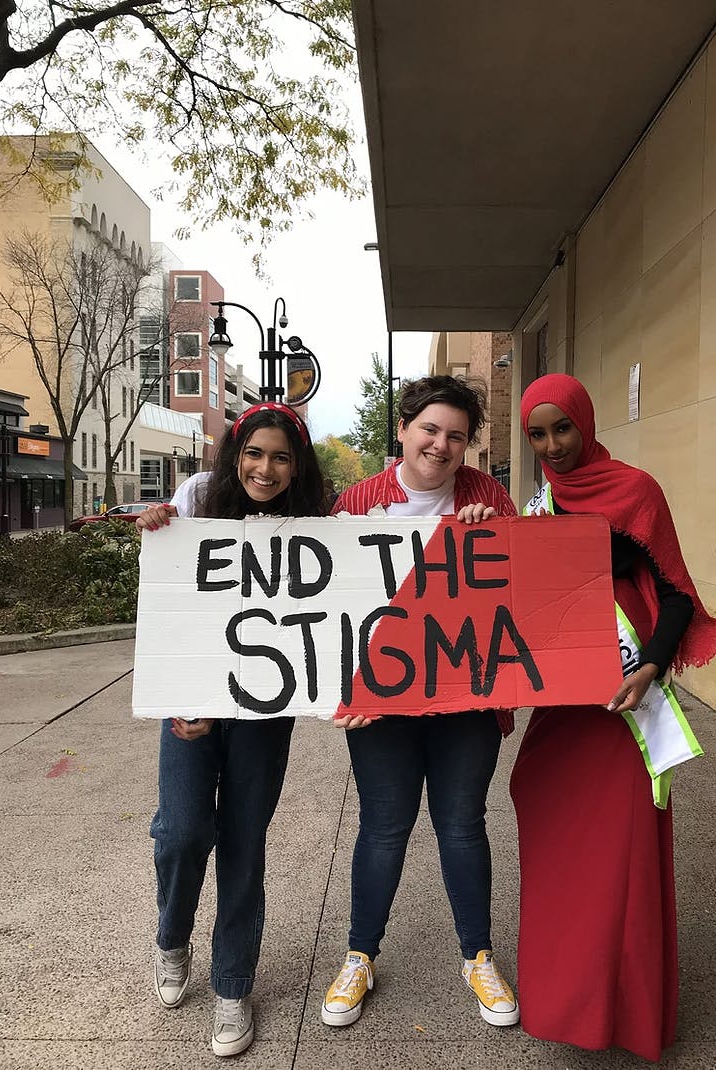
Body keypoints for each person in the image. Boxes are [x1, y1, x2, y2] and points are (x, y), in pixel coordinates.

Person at [511, 374, 716, 1061]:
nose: (552, 445)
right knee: (552, 834)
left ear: (586, 421)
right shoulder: (537, 506)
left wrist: (650, 666)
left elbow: (678, 595)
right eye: (537, 434)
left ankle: (625, 1013)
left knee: (620, 860)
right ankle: (564, 1001)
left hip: (623, 705)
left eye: (561, 428)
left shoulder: (636, 491)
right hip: (565, 709)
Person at [321, 374, 521, 1030]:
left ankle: (477, 957)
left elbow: (526, 591)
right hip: (382, 707)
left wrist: (499, 539)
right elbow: (324, 608)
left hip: (466, 703)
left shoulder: (489, 496)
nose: (441, 444)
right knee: (383, 827)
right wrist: (337, 690)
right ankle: (359, 957)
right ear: (404, 430)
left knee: (462, 825)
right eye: (430, 429)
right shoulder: (356, 503)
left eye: (456, 436)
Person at [136, 402, 325, 1058]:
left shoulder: (314, 524)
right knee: (182, 832)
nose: (263, 468)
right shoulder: (198, 496)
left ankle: (232, 986)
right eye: (253, 453)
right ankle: (171, 938)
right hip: (192, 697)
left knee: (244, 840)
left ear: (296, 465)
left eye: (279, 456)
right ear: (233, 454)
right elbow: (169, 592)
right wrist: (158, 527)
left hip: (264, 709)